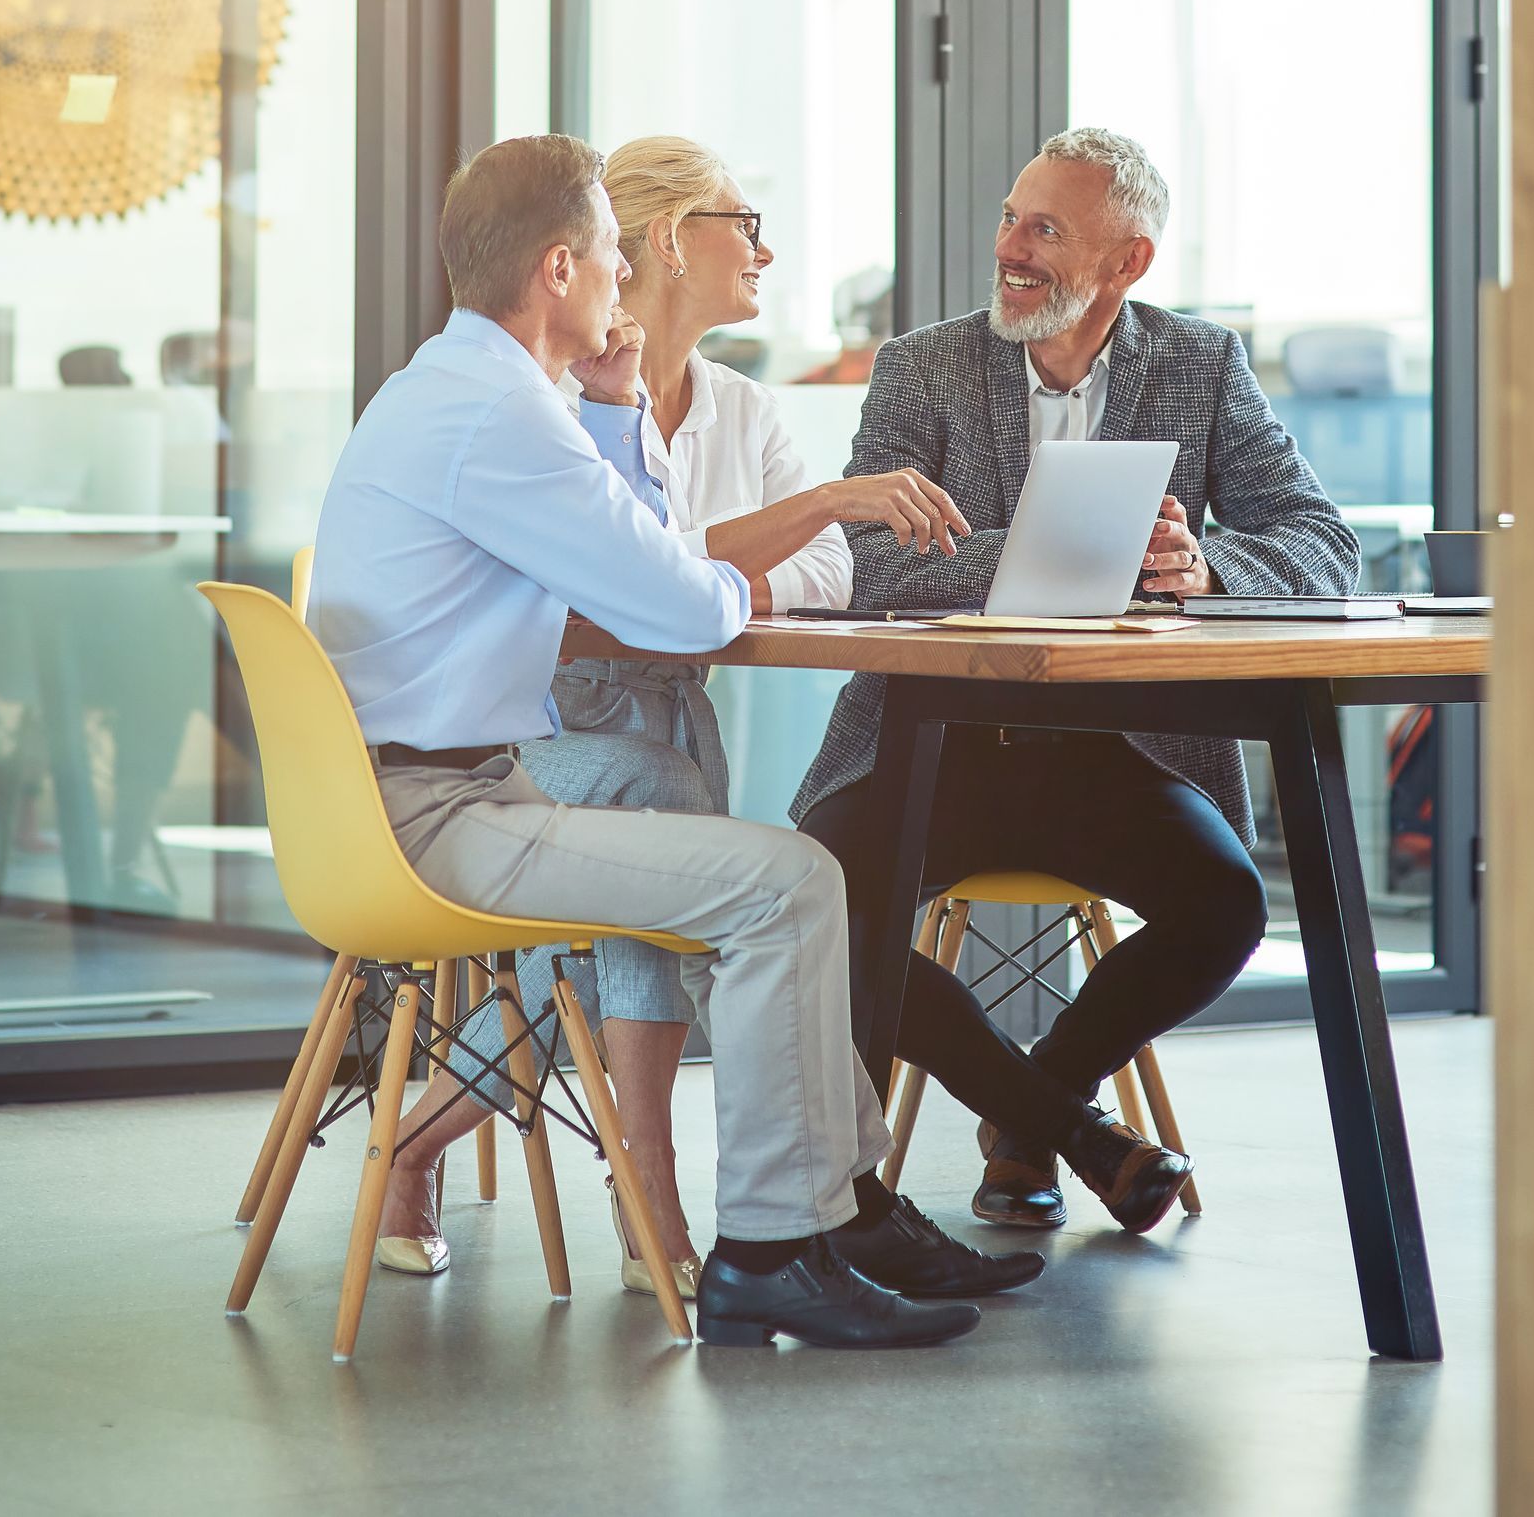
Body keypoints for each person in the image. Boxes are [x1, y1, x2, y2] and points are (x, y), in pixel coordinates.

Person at [306, 132, 1029, 1352]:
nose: (614, 282)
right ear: (558, 270)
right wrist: (703, 523)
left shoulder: (462, 390)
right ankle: (778, 1247)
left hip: (426, 792)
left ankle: (805, 1228)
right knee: (789, 880)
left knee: (720, 834)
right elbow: (677, 604)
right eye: (601, 258)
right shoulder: (505, 416)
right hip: (441, 812)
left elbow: (650, 564)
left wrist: (615, 411)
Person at [793, 125, 1360, 1236]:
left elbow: (1321, 540)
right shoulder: (924, 367)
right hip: (932, 745)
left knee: (1229, 906)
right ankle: (1073, 1132)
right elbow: (860, 560)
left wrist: (1208, 568)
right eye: (1010, 217)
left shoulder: (1200, 367)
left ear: (1126, 262)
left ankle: (1029, 1117)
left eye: (1045, 228)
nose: (1010, 247)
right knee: (825, 904)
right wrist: (1035, 550)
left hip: (1118, 753)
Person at [428, 133, 949, 1300]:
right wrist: (779, 531)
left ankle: (466, 1146)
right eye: (743, 220)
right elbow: (623, 589)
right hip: (532, 747)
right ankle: (754, 1190)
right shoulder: (539, 402)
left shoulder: (742, 406)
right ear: (662, 242)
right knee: (710, 852)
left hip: (654, 723)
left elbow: (832, 574)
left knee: (678, 807)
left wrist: (720, 579)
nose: (765, 247)